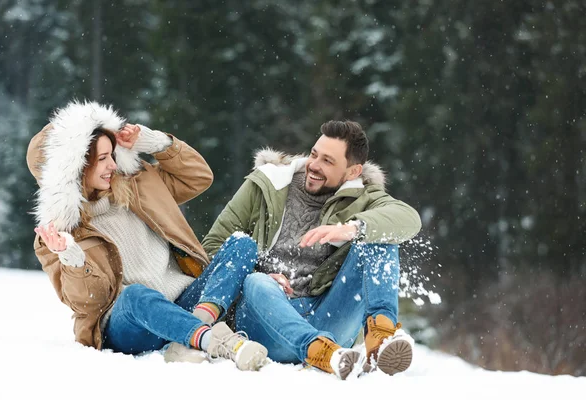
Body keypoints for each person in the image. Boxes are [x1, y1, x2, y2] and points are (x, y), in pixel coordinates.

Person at [26, 100, 267, 371]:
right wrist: (72, 258)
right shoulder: (59, 234)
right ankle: (214, 340)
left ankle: (192, 331)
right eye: (102, 159)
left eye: (113, 155)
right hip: (128, 323)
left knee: (241, 244)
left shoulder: (138, 184)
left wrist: (154, 142)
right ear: (76, 168)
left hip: (183, 302)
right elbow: (87, 304)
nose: (113, 166)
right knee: (135, 294)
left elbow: (198, 177)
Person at [202, 120, 422, 379]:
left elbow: (409, 219)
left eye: (328, 161)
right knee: (256, 281)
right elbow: (212, 249)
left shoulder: (363, 197)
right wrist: (252, 273)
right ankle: (315, 349)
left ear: (353, 171)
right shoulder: (268, 184)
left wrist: (351, 228)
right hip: (265, 323)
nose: (314, 165)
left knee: (378, 234)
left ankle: (380, 336)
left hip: (328, 319)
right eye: (314, 154)